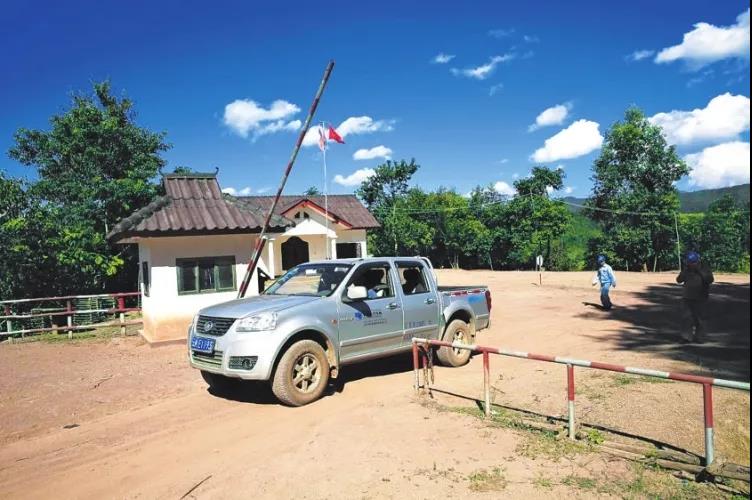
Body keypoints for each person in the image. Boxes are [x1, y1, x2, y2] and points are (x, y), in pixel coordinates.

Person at [676, 251, 714, 343]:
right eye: (689, 263)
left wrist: (699, 271)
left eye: (692, 263)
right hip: (687, 297)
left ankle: (700, 337)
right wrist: (684, 272)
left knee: (700, 319)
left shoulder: (704, 268)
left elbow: (710, 279)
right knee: (686, 318)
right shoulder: (687, 270)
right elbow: (679, 280)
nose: (690, 265)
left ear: (697, 262)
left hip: (701, 297)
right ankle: (686, 337)